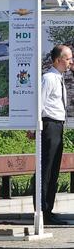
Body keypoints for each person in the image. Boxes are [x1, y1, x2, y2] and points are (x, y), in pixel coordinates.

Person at [37, 44, 72, 225]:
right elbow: (40, 103)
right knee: (47, 168)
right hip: (49, 124)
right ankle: (42, 210)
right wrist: (35, 127)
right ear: (58, 60)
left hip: (58, 125)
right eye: (68, 59)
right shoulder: (49, 78)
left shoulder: (59, 77)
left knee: (54, 168)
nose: (70, 62)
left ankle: (48, 209)